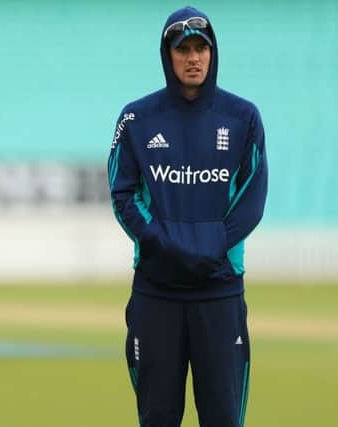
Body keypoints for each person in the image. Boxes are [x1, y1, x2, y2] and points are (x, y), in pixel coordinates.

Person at [108, 6, 267, 427]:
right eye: (183, 50)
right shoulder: (137, 119)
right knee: (157, 417)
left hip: (219, 292)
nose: (193, 58)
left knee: (222, 419)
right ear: (167, 55)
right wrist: (168, 245)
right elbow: (122, 194)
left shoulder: (243, 117)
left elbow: (252, 198)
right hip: (157, 293)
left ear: (213, 54)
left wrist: (210, 247)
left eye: (201, 48)